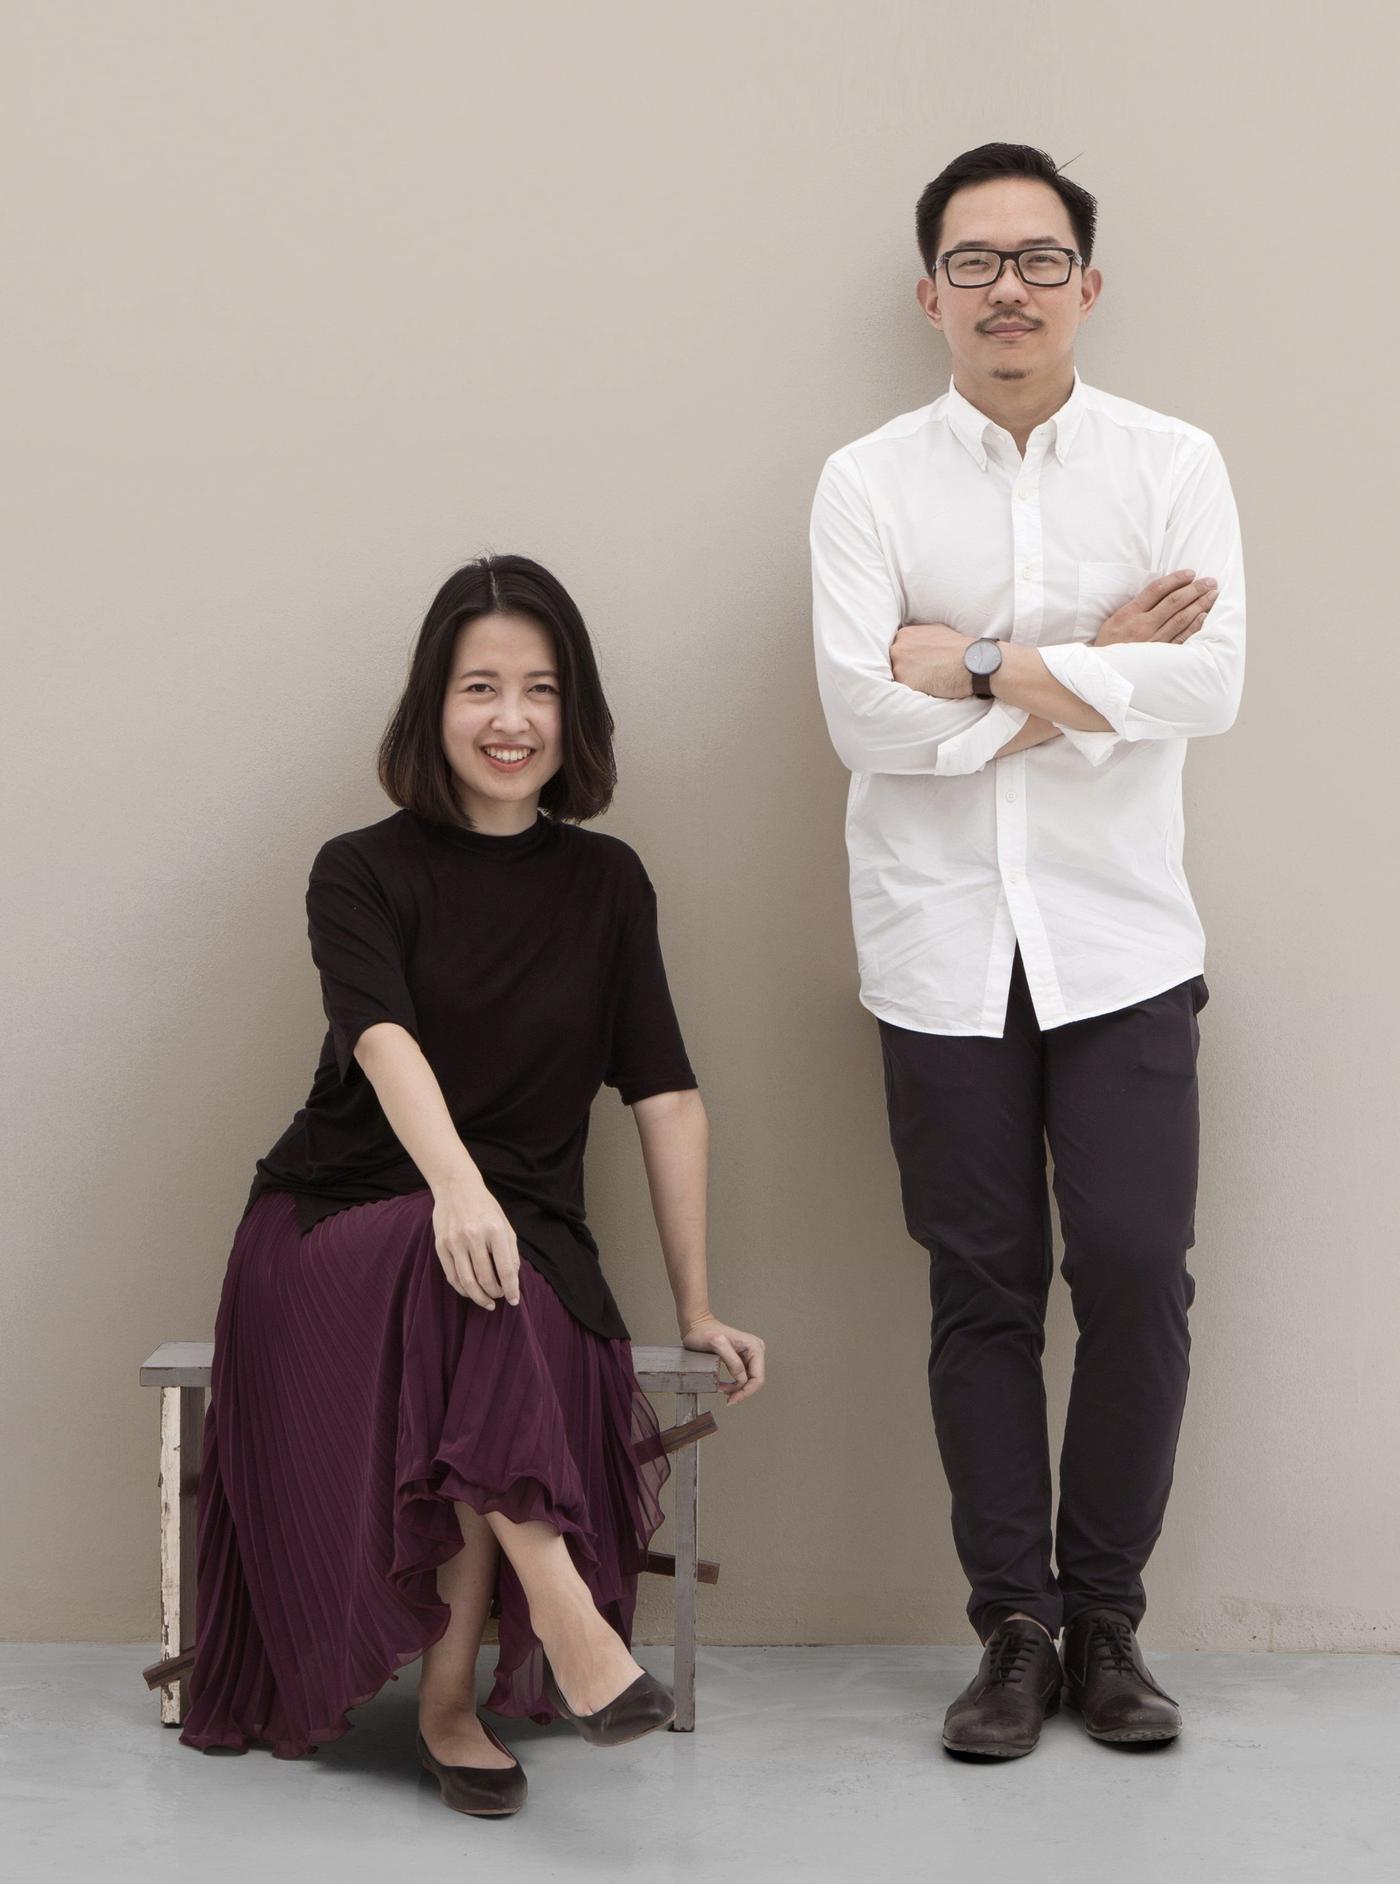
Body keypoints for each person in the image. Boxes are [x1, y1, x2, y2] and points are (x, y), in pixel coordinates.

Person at [180, 554, 766, 1816]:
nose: (511, 719)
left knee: (486, 1285)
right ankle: (560, 1626)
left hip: (513, 1244)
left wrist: (697, 1305)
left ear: (574, 710)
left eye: (540, 690)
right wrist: (454, 1189)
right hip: (332, 1225)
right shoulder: (357, 868)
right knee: (460, 1266)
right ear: (431, 705)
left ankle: (456, 1698)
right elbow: (380, 1039)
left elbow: (664, 1094)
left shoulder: (607, 884)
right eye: (480, 687)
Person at [810, 143, 1244, 1759]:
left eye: (1040, 258)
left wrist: (982, 663)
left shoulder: (1174, 463)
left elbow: (1206, 688)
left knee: (1134, 1271)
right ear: (930, 292)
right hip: (937, 948)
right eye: (978, 262)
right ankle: (1015, 1626)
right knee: (981, 1290)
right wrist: (1087, 672)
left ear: (1088, 285)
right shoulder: (866, 483)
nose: (1011, 287)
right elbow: (865, 719)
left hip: (1121, 941)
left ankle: (1108, 1622)